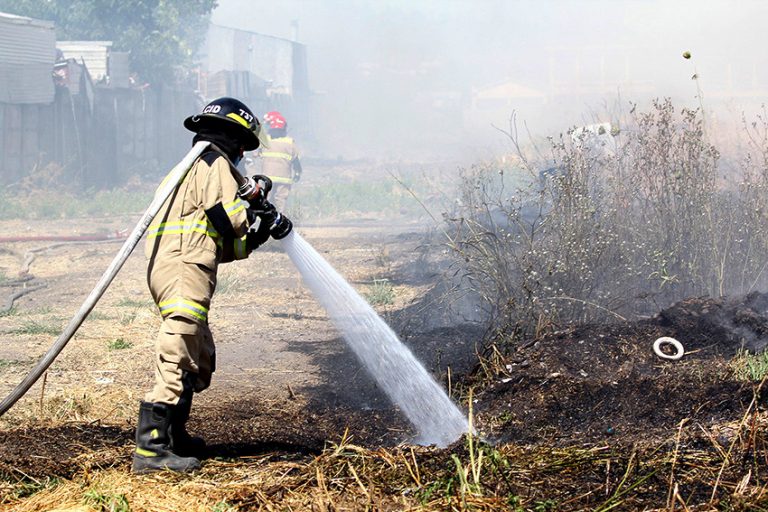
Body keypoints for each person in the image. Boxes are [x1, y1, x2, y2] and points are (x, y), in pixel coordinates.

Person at [132, 97, 293, 474]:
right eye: (243, 149)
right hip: (185, 270)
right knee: (178, 350)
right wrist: (257, 212)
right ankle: (152, 451)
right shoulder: (215, 163)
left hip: (174, 266)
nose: (242, 156)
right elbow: (231, 221)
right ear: (236, 141)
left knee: (198, 355)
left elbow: (223, 240)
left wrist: (258, 236)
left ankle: (174, 436)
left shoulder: (188, 168)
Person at [257, 111, 302, 211]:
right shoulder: (289, 142)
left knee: (266, 200)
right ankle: (280, 221)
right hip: (284, 179)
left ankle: (265, 219)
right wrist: (298, 173)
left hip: (267, 179)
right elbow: (296, 161)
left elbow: (257, 154)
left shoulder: (265, 140)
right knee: (281, 200)